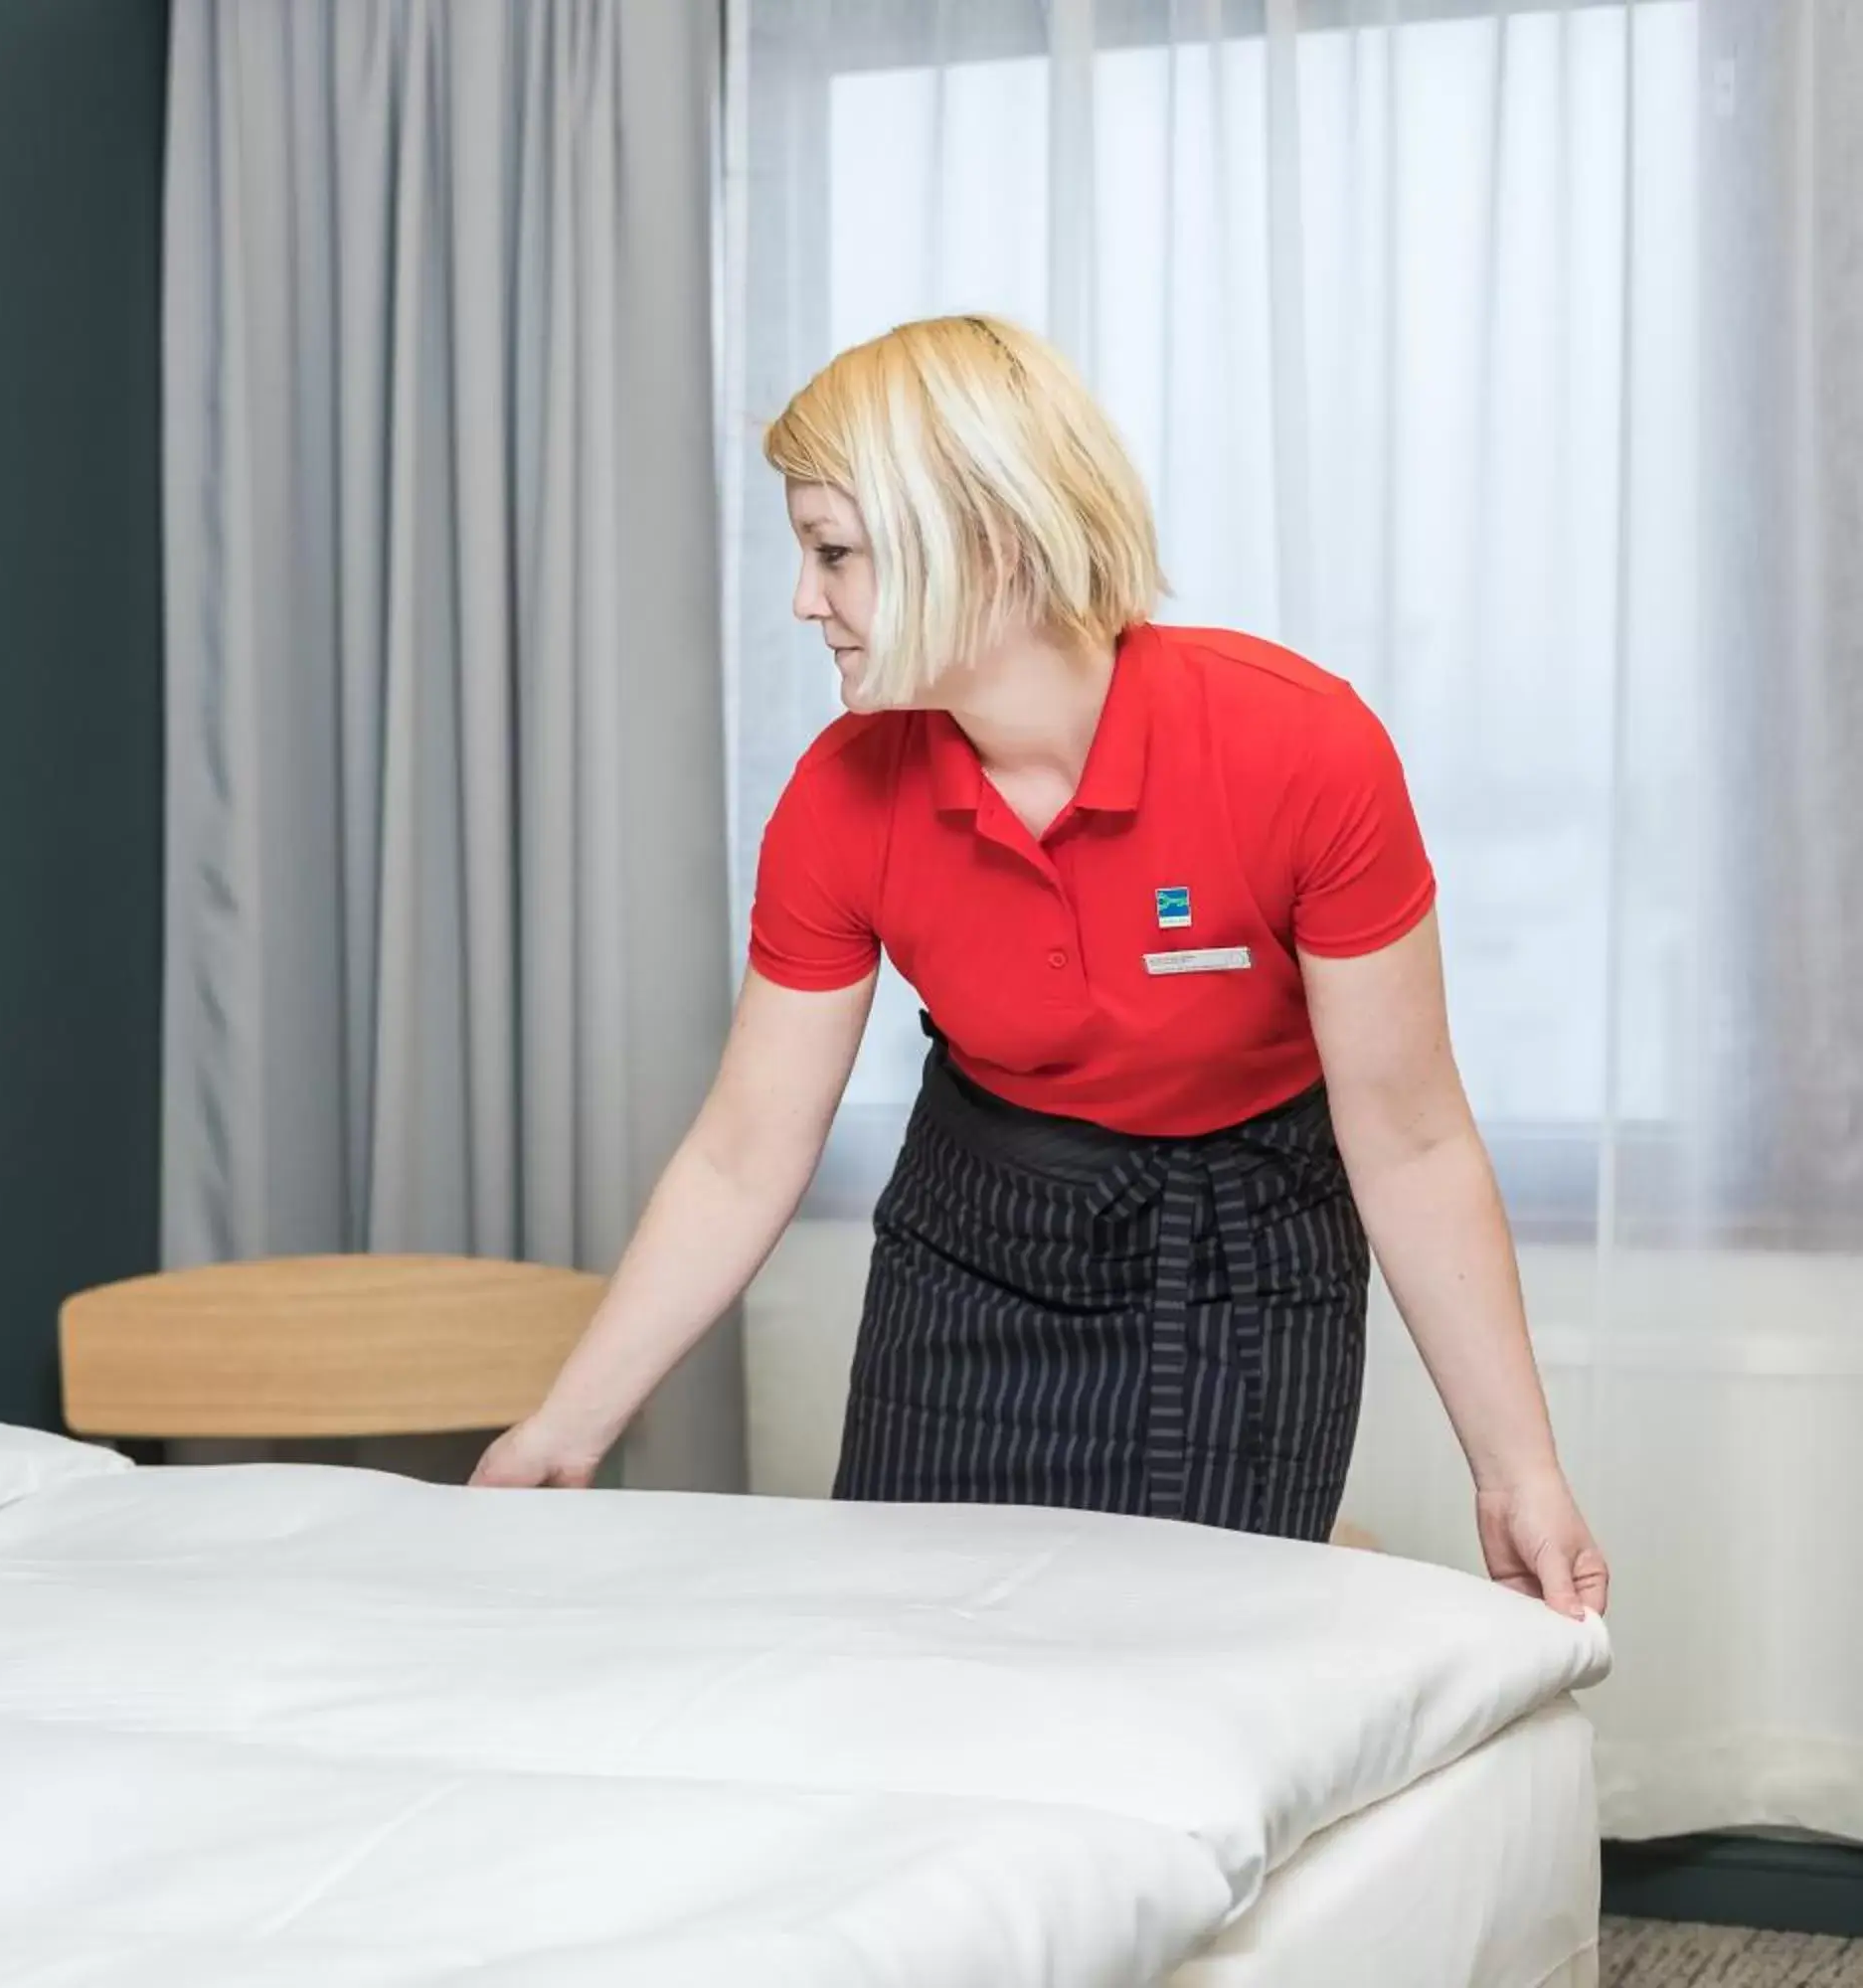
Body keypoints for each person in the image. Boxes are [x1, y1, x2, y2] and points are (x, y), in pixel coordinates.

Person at [471, 314, 1609, 1621]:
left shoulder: (1298, 750)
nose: (804, 600)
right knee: (913, 1650)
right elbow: (744, 1150)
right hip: (979, 1239)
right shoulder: (843, 799)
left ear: (984, 537)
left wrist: (1516, 1471)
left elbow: (1409, 1142)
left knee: (1193, 1662)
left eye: (832, 551)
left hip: (1245, 1249)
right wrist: (567, 1428)